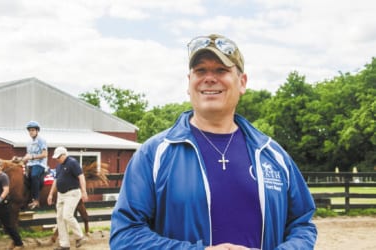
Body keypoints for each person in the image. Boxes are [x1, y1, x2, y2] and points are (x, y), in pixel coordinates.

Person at [110, 34, 317, 249]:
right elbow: (126, 235)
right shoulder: (153, 154)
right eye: (200, 71)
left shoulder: (272, 154)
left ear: (242, 82)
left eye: (221, 70)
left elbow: (302, 225)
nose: (209, 78)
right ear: (189, 83)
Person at [47, 146, 88, 250]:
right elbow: (56, 180)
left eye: (58, 157)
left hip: (72, 193)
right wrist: (51, 194)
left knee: (67, 216)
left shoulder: (72, 163)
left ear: (64, 155)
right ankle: (64, 244)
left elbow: (81, 176)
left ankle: (79, 236)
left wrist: (84, 191)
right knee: (59, 218)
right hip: (61, 194)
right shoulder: (59, 166)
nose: (57, 159)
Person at [23, 120, 48, 209]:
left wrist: (32, 157)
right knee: (24, 178)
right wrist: (20, 160)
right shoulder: (28, 142)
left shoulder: (41, 140)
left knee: (34, 175)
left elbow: (45, 154)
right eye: (30, 130)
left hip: (40, 164)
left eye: (33, 130)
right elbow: (27, 155)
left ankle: (36, 200)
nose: (31, 132)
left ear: (37, 131)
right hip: (30, 164)